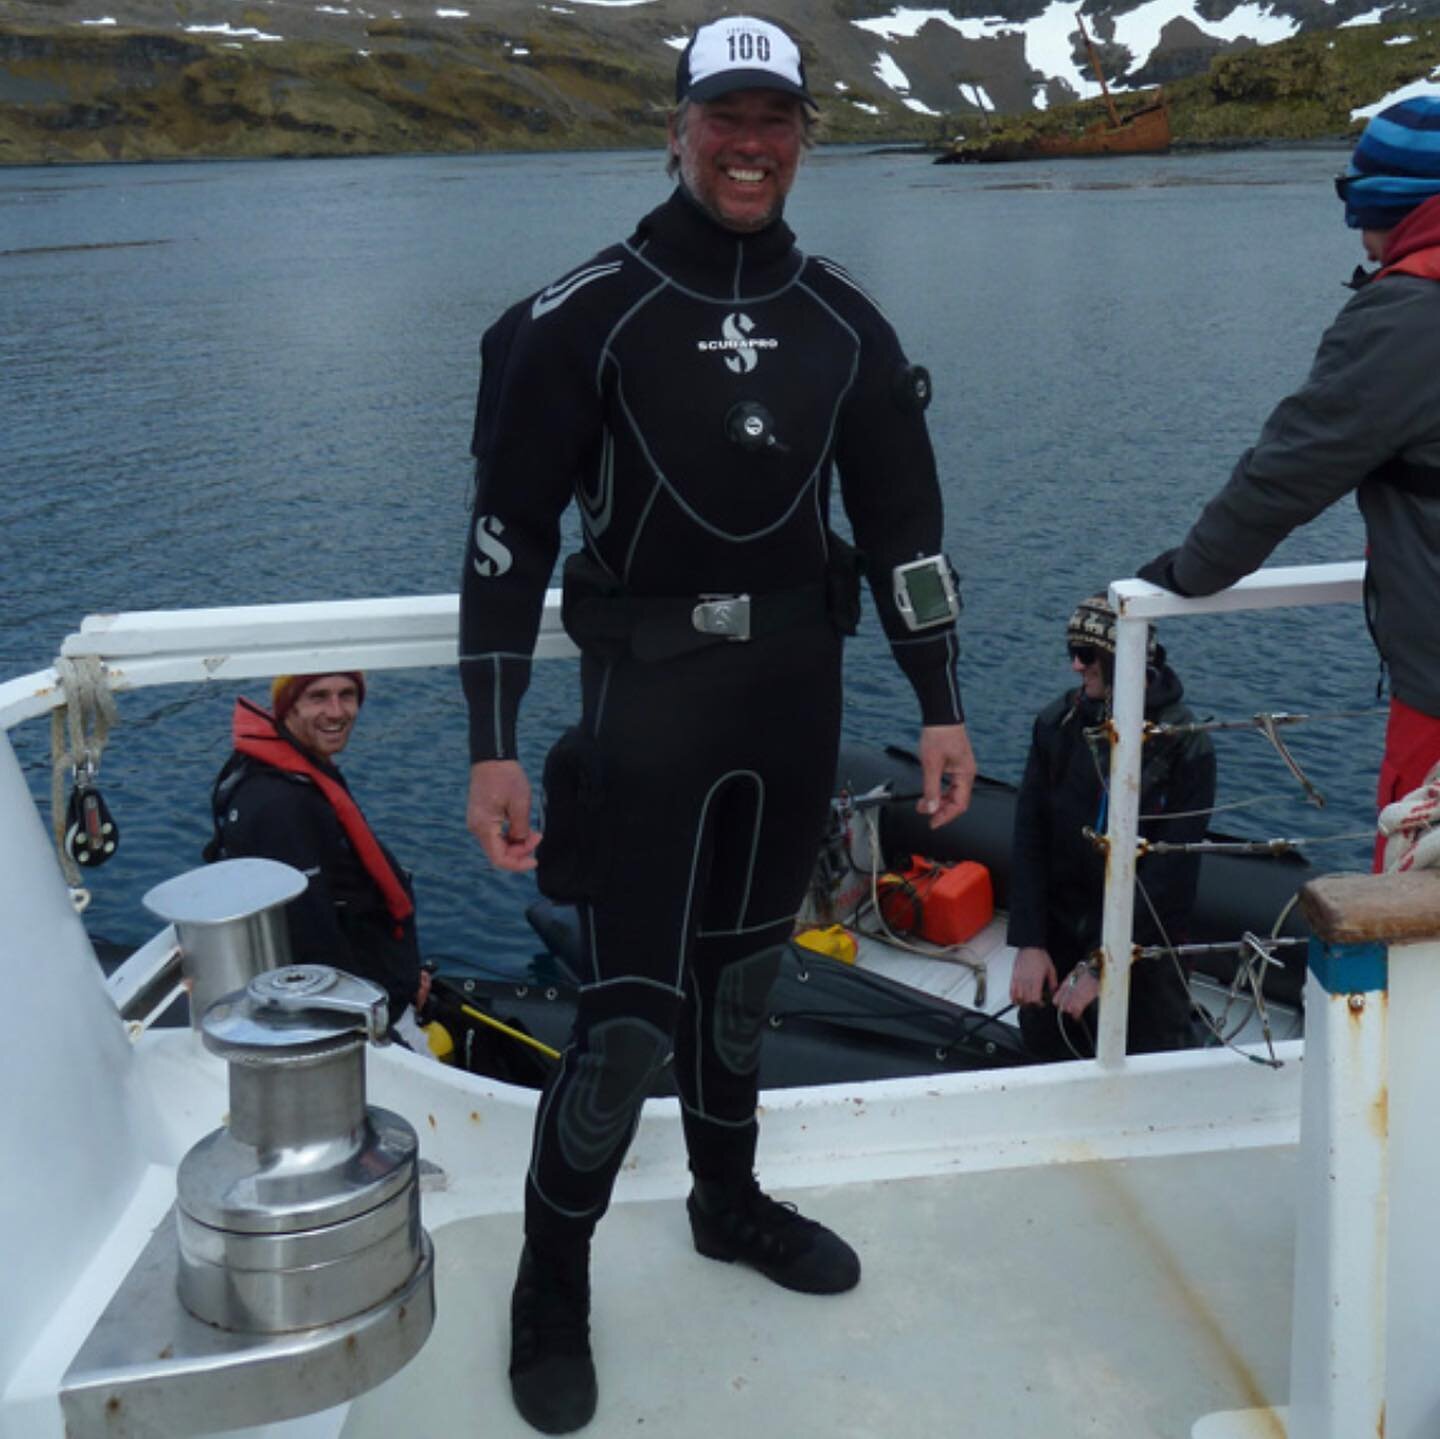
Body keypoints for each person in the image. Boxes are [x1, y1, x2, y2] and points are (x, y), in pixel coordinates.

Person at [458, 16, 976, 1433]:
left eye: (778, 119)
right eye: (725, 117)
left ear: (805, 132)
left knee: (749, 977)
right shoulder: (581, 316)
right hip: (650, 702)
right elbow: (504, 536)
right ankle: (548, 1277)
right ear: (677, 127)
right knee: (629, 1019)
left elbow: (905, 529)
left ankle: (726, 1201)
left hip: (796, 690)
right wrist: (492, 738)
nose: (752, 144)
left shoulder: (847, 320)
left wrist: (938, 702)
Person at [1138, 96, 1440, 863]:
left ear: (1389, 204)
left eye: (1357, 198)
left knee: (1411, 921)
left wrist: (1191, 571)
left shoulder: (1405, 319)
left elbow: (1285, 475)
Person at [1008, 595, 1216, 1060]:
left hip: (1144, 947)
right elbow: (1029, 838)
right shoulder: (1056, 725)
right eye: (1072, 655)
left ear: (1122, 659)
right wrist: (1029, 941)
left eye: (1087, 656)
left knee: (1152, 1061)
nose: (1076, 668)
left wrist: (1105, 965)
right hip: (1062, 927)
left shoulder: (1184, 746)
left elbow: (1171, 875)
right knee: (1042, 1047)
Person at [204, 671, 430, 1037]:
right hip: (356, 1015)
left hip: (382, 982)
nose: (337, 711)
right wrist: (374, 1024)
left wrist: (404, 974)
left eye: (347, 695)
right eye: (318, 697)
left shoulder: (287, 772)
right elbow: (310, 939)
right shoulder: (282, 807)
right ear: (288, 706)